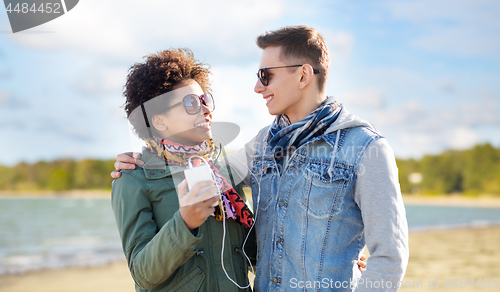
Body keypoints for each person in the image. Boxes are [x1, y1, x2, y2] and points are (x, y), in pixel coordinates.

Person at [113, 25, 401, 292]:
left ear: (303, 76)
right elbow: (258, 233)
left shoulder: (367, 148)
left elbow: (389, 258)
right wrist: (140, 160)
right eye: (258, 77)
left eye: (266, 75)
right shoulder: (261, 146)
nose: (257, 87)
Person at [111, 49, 256, 292]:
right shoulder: (133, 178)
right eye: (191, 103)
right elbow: (142, 275)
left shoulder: (226, 173)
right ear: (159, 121)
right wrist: (185, 223)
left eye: (205, 100)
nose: (205, 109)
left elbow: (254, 255)